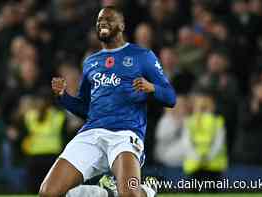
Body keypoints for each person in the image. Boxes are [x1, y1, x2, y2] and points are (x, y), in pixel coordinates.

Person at [40, 6, 176, 197]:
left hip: (125, 133)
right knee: (48, 193)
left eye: (108, 19)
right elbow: (85, 109)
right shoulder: (91, 62)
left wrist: (152, 88)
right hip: (92, 133)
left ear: (121, 25)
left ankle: (147, 189)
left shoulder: (142, 56)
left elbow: (170, 98)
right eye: (99, 21)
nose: (102, 22)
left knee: (129, 194)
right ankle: (105, 193)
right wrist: (64, 97)